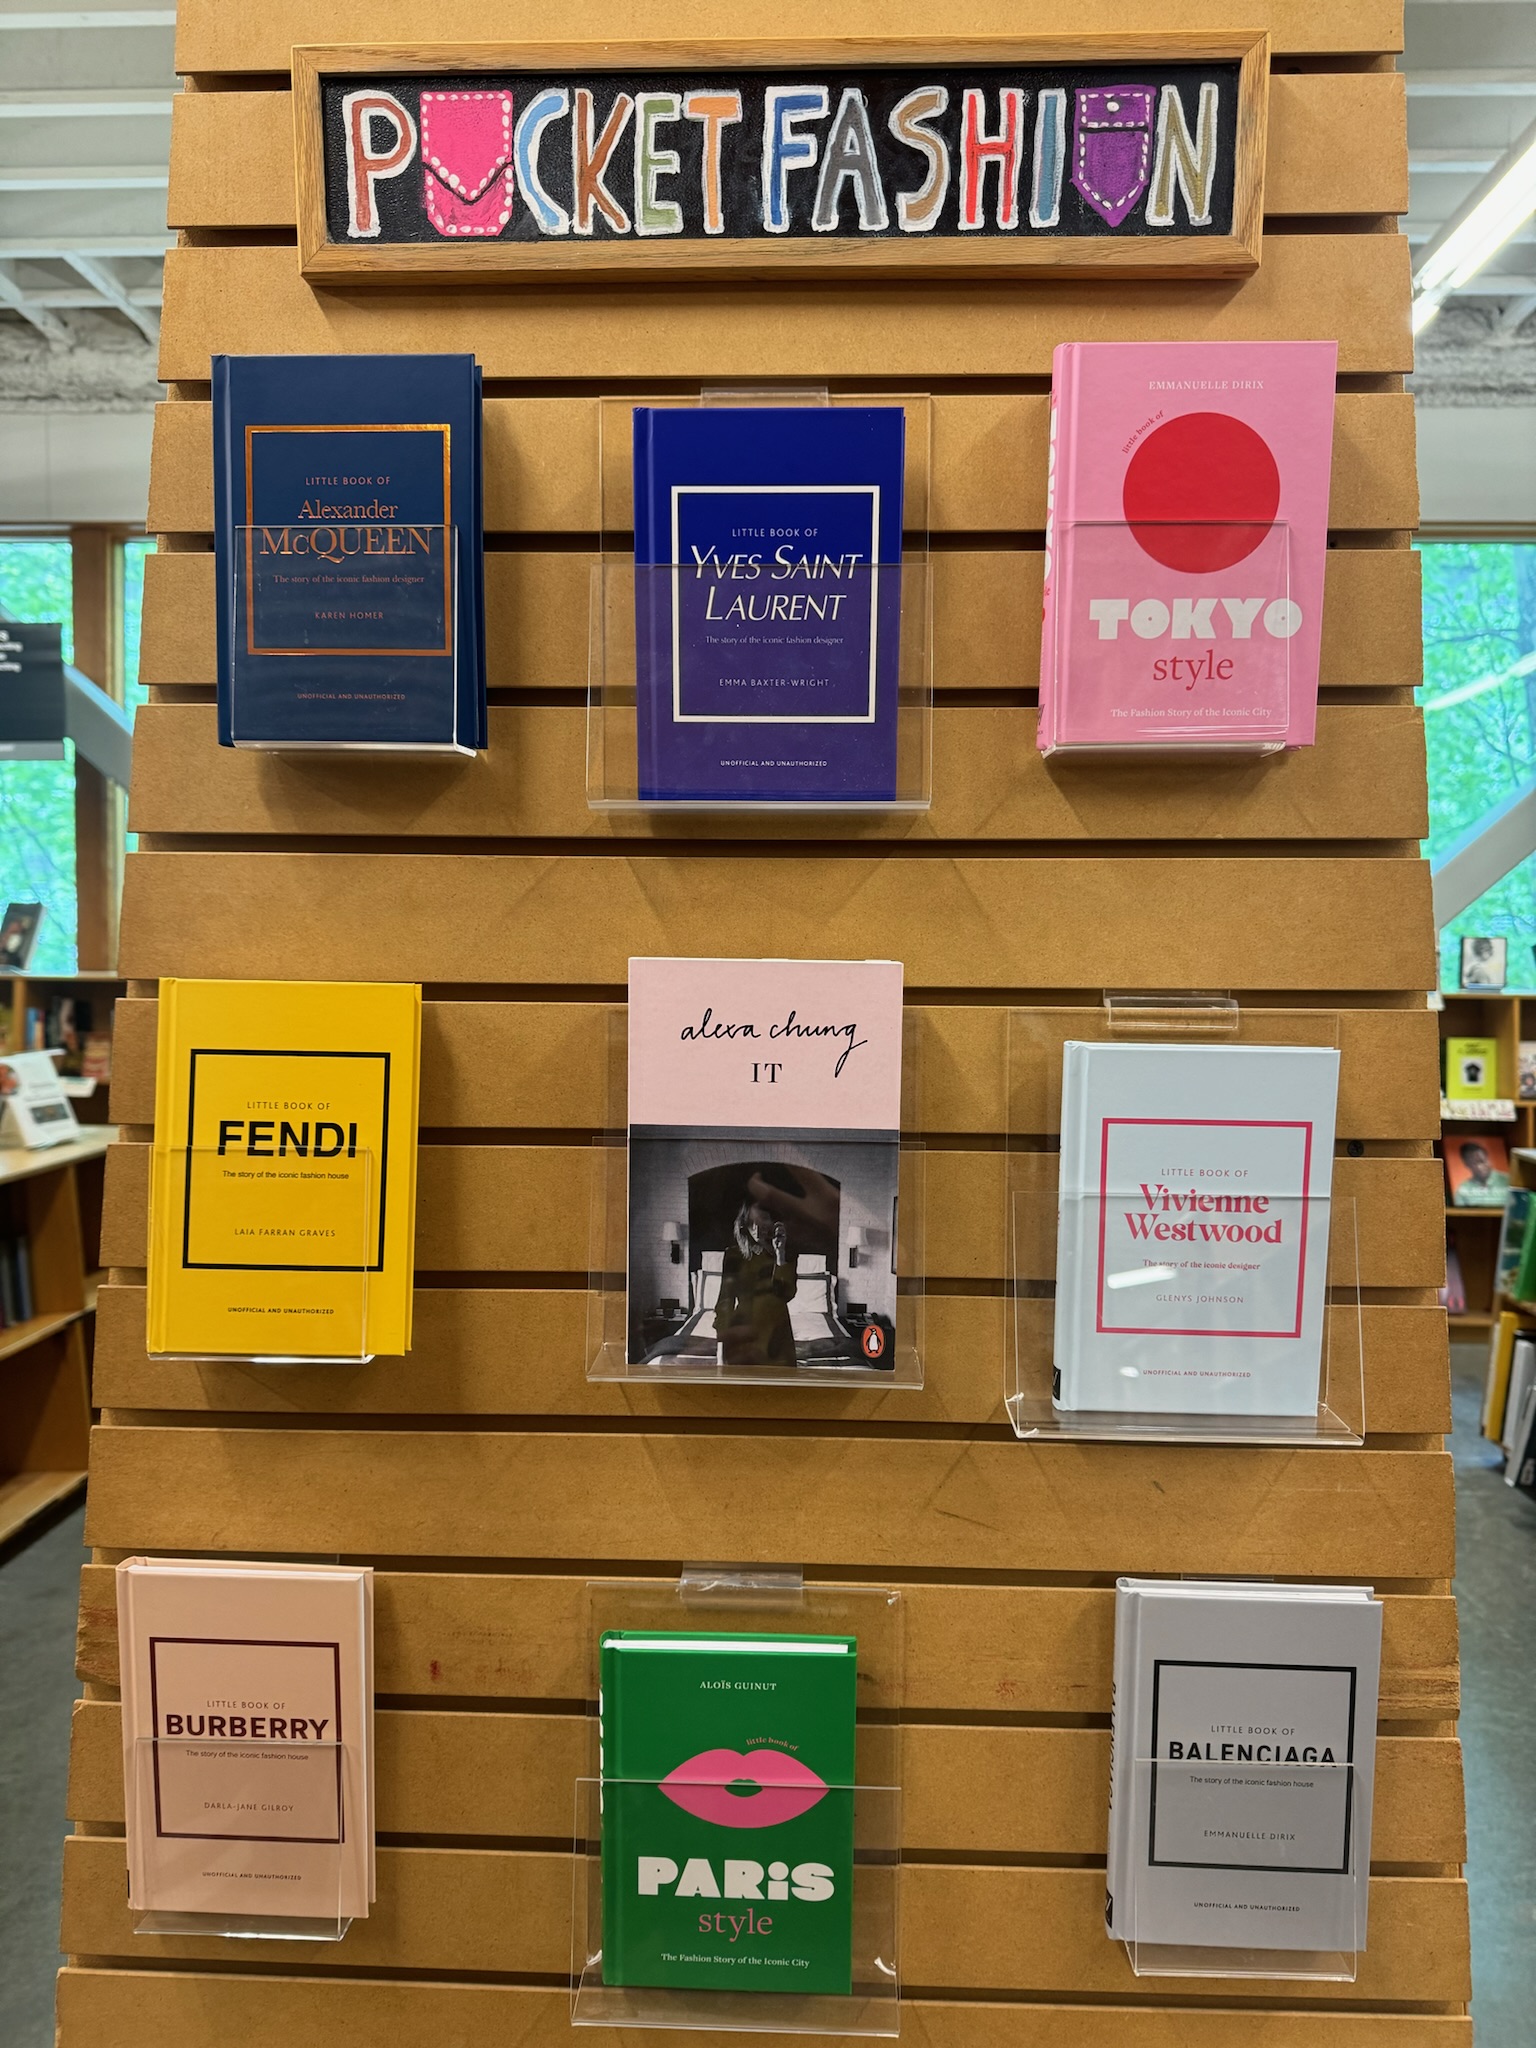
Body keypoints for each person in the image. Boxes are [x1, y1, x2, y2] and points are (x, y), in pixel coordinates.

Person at [714, 1197, 798, 1367]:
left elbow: (787, 1293)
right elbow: (725, 1302)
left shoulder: (784, 1253)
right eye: (751, 1222)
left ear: (773, 1222)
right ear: (744, 1224)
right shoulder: (733, 1255)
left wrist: (780, 1252)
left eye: (763, 1219)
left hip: (777, 1334)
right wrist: (720, 1348)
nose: (757, 1227)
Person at [1452, 1139, 1510, 1207]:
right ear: (1466, 1164)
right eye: (1474, 1163)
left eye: (1482, 1161)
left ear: (1488, 1159)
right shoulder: (1462, 1190)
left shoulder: (1509, 1181)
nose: (1480, 1167)